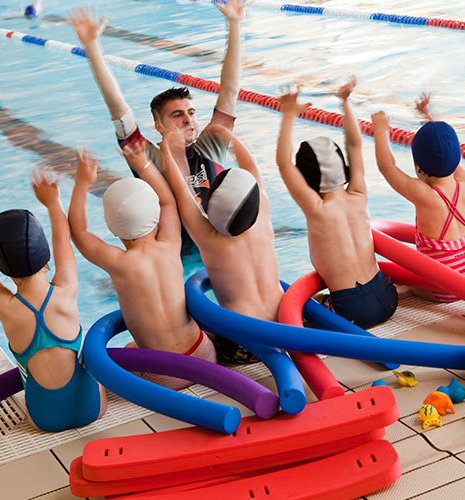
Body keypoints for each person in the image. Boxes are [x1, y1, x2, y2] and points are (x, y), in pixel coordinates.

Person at [69, 1, 244, 213]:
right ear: (158, 125)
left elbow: (230, 91)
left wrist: (234, 23)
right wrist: (93, 47)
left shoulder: (209, 148)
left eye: (191, 113)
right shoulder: (146, 157)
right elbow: (118, 108)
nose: (188, 120)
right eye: (177, 115)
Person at [0, 174, 107, 432]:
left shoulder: (6, 307)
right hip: (92, 410)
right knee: (97, 371)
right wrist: (53, 202)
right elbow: (63, 240)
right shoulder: (66, 289)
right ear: (47, 257)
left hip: (43, 420)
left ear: (3, 270)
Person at [68, 147, 216, 389]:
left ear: (113, 229)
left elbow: (79, 231)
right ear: (156, 216)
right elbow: (168, 202)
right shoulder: (170, 243)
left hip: (164, 373)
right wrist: (144, 165)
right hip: (204, 354)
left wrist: (82, 184)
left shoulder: (119, 263)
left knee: (128, 349)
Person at [276, 77, 398, 329]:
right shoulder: (357, 193)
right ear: (343, 167)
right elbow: (355, 144)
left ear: (306, 178)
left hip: (350, 310)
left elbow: (283, 163)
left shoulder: (316, 207)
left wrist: (288, 114)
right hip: (388, 297)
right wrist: (345, 102)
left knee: (302, 306)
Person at [160, 124, 284, 363]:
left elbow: (182, 190)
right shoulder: (263, 213)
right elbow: (252, 167)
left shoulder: (209, 238)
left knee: (188, 333)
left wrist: (167, 147)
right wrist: (230, 136)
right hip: (286, 328)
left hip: (242, 343)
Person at [372, 93, 465, 302]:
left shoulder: (425, 196)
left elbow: (387, 167)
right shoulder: (463, 182)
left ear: (418, 168)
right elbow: (446, 150)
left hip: (439, 290)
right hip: (462, 284)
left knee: (394, 278)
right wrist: (427, 116)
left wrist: (380, 129)